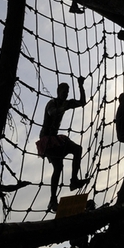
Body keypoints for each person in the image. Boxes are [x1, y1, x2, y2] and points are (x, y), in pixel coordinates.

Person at [36, 77, 90, 212]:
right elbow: (52, 112)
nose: (65, 94)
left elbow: (82, 102)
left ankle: (74, 180)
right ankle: (52, 200)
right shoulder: (52, 103)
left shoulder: (66, 103)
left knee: (77, 149)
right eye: (63, 91)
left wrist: (80, 86)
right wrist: (65, 106)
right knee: (58, 167)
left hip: (56, 138)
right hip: (47, 140)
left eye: (67, 92)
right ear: (58, 91)